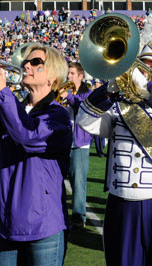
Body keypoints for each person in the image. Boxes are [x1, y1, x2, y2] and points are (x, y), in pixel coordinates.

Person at [77, 10, 152, 266]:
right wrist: (108, 91)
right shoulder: (119, 105)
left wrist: (148, 90)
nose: (140, 69)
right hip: (122, 206)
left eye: (151, 65)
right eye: (139, 62)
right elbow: (85, 121)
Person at [0, 44, 71, 265]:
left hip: (42, 226)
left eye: (36, 62)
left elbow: (28, 135)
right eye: (25, 62)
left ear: (53, 77)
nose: (27, 65)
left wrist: (2, 92)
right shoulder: (12, 107)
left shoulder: (57, 115)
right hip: (6, 223)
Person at [60, 62, 92, 229]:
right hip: (63, 142)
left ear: (80, 76)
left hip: (80, 144)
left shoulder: (88, 93)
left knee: (78, 183)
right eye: (68, 73)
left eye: (72, 74)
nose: (69, 77)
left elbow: (83, 106)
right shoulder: (64, 91)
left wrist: (68, 96)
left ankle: (79, 216)